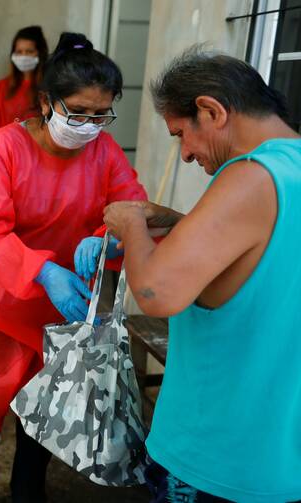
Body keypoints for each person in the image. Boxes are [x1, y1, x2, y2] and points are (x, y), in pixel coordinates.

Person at [0, 33, 147, 503]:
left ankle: (27, 492)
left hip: (64, 307)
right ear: (46, 102)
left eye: (102, 114)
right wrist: (44, 271)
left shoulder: (104, 151)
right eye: (78, 112)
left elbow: (131, 206)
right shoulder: (3, 150)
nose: (90, 126)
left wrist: (105, 240)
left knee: (48, 405)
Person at [103, 47, 301, 503]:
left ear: (211, 110)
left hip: (214, 454)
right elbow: (259, 259)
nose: (187, 154)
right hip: (277, 459)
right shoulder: (289, 171)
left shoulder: (250, 175)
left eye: (180, 135)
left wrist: (131, 224)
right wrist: (178, 222)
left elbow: (156, 291)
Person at [0, 26, 49, 160]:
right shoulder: (2, 88)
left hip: (38, 160)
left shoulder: (48, 89)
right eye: (19, 52)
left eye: (29, 51)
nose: (23, 56)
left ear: (40, 54)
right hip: (5, 157)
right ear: (13, 55)